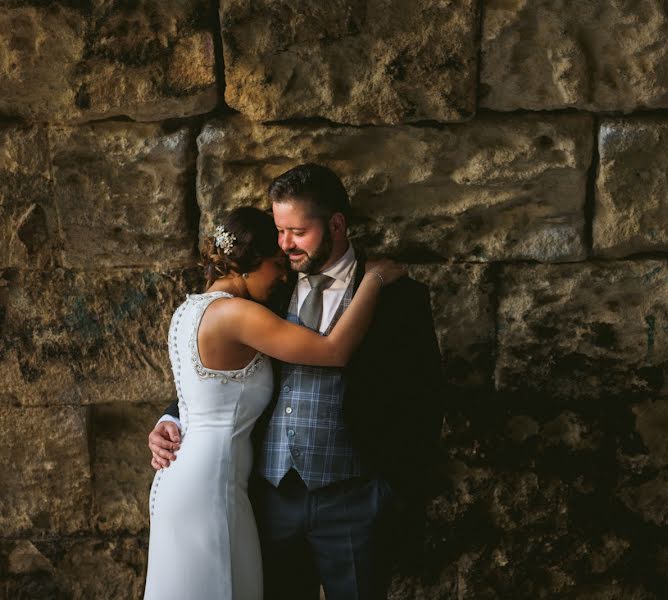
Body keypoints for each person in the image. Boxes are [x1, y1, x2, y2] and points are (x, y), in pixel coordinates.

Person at [148, 164, 445, 600]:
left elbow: (424, 396)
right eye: (279, 231)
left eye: (297, 231)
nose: (284, 244)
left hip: (356, 500)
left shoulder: (397, 296)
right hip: (269, 501)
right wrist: (170, 418)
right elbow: (215, 369)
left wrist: (395, 490)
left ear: (337, 224)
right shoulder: (268, 287)